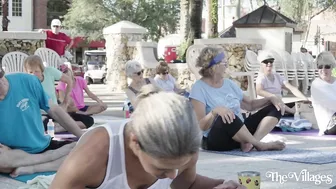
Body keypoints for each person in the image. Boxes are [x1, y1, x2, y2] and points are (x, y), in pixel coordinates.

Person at [49, 85, 246, 189]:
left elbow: (187, 184)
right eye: (162, 168)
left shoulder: (185, 148)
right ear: (135, 142)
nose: (172, 175)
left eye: (176, 167)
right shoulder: (95, 155)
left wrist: (222, 184)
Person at [189, 47, 286, 152]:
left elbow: (250, 105)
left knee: (277, 107)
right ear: (214, 66)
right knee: (226, 115)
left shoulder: (229, 84)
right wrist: (214, 112)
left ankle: (250, 144)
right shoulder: (198, 88)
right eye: (224, 63)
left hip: (240, 135)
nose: (227, 65)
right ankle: (258, 144)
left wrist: (271, 98)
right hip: (217, 139)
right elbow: (201, 126)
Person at [0, 66, 83, 176]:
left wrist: (82, 136)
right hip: (12, 154)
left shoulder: (27, 81)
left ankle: (37, 167)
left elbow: (55, 110)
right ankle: (50, 158)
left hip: (41, 146)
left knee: (87, 153)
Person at [23, 55, 94, 131]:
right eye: (30, 72)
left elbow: (69, 81)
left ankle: (58, 127)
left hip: (56, 111)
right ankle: (62, 127)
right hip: (41, 115)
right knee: (42, 123)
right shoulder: (25, 81)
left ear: (42, 69)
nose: (33, 74)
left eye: (36, 71)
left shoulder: (49, 72)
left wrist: (65, 103)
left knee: (88, 120)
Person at [256, 51, 309, 115]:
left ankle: (292, 111)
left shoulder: (278, 76)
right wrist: (272, 96)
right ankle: (293, 112)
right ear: (261, 64)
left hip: (279, 104)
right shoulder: (261, 77)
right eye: (266, 62)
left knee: (300, 103)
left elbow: (292, 89)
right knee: (274, 100)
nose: (269, 63)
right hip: (266, 106)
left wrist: (305, 99)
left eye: (271, 61)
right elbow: (259, 91)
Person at [311, 51, 336, 135]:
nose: (323, 70)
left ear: (332, 67)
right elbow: (333, 104)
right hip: (328, 126)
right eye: (320, 67)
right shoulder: (316, 85)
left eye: (327, 67)